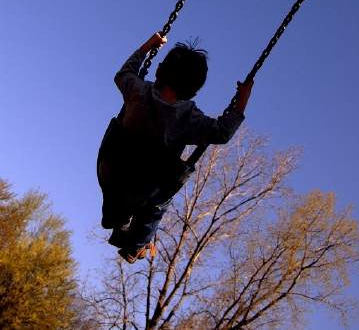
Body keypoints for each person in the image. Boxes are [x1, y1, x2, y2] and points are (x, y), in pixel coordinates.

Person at [97, 32, 253, 263]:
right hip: (144, 189)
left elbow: (124, 73)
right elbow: (222, 132)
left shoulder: (138, 90)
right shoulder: (189, 117)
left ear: (160, 71)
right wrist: (242, 100)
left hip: (111, 170)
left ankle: (114, 214)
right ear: (194, 89)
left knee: (124, 163)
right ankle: (137, 245)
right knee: (159, 200)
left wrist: (148, 46)